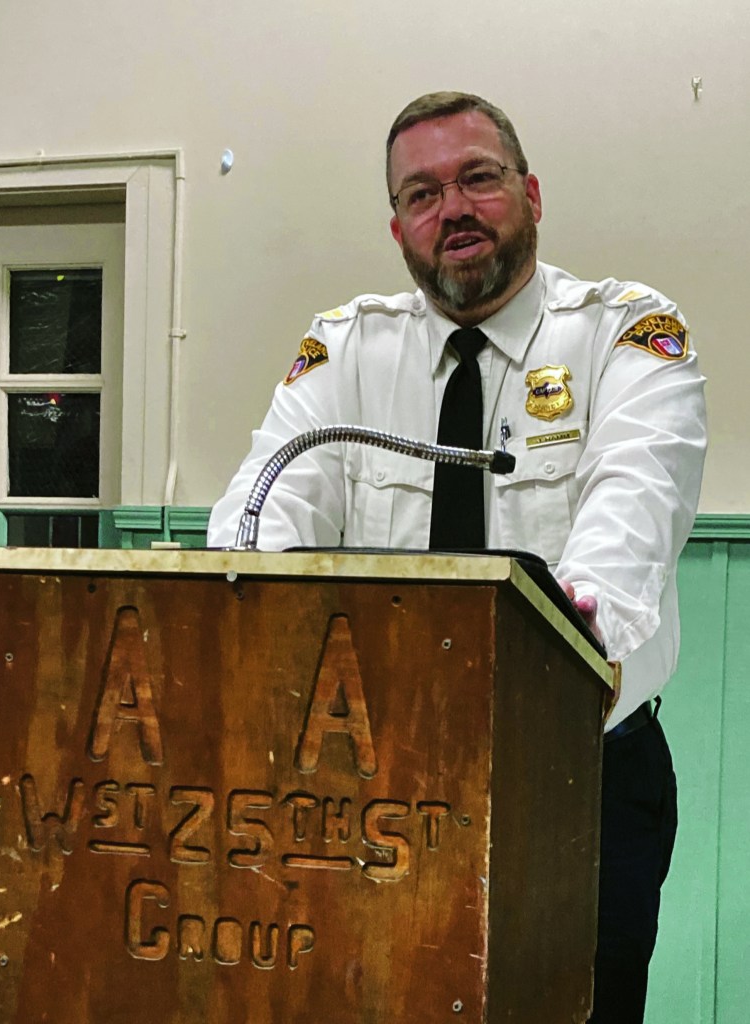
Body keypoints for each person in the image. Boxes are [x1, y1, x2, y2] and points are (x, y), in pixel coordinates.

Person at [208, 91, 707, 1022]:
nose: (455, 209)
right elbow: (263, 508)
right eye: (423, 193)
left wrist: (565, 646)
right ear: (399, 225)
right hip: (373, 785)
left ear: (531, 193)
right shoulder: (347, 348)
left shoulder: (623, 333)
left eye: (479, 178)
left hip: (578, 778)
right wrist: (245, 618)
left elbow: (636, 506)